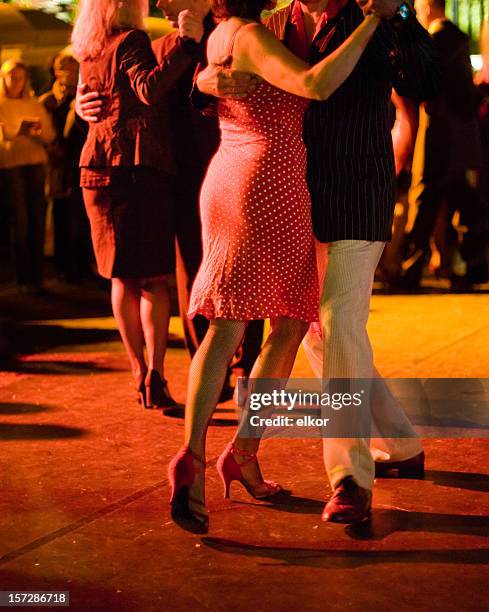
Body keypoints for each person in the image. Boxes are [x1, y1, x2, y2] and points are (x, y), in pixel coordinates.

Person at [195, 0, 437, 525]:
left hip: (354, 194)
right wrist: (205, 83)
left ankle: (349, 478)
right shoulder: (275, 23)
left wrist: (396, 15)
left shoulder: (373, 18)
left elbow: (427, 77)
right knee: (320, 336)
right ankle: (400, 444)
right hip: (288, 203)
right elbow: (220, 69)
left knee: (339, 324)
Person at [167, 0, 385, 533]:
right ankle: (201, 458)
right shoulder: (251, 34)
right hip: (268, 185)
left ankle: (225, 456)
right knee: (281, 327)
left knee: (234, 328)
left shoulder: (225, 35)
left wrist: (203, 81)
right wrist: (376, 20)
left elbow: (208, 80)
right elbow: (314, 84)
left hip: (230, 175)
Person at [76, 0, 265, 402]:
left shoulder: (242, 33)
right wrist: (83, 105)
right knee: (190, 280)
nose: (159, 1)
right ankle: (209, 378)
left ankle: (248, 375)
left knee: (241, 273)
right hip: (173, 181)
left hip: (233, 170)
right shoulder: (157, 45)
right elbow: (124, 92)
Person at [71, 0, 206, 408]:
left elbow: (93, 104)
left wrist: (82, 109)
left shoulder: (88, 49)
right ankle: (156, 374)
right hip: (136, 167)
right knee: (153, 280)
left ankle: (136, 370)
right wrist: (187, 43)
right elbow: (149, 90)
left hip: (95, 168)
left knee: (119, 278)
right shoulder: (132, 40)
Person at [401, 0, 486, 291]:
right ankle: (463, 267)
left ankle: (412, 269)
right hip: (461, 138)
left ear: (426, 8)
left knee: (425, 201)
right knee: (462, 203)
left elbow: (421, 86)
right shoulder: (459, 39)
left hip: (439, 134)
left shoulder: (433, 42)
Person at [0, 59, 55, 295]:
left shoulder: (33, 103)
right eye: (12, 77)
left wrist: (38, 134)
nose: (16, 82)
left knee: (37, 218)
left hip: (35, 163)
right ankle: (23, 277)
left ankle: (37, 275)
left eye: (20, 77)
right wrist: (14, 132)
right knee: (20, 220)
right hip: (12, 165)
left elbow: (49, 134)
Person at [40, 53, 93, 284]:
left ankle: (82, 264)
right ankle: (64, 266)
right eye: (63, 67)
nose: (69, 72)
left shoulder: (82, 97)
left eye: (73, 67)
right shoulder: (48, 101)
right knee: (62, 213)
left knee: (81, 215)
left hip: (79, 160)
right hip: (59, 164)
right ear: (54, 70)